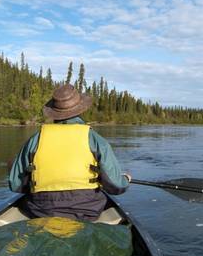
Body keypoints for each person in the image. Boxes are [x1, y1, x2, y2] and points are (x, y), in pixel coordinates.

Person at [9, 84, 131, 221]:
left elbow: (15, 184)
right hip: (87, 210)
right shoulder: (96, 140)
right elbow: (116, 186)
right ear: (80, 110)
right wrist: (125, 180)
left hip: (41, 211)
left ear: (54, 112)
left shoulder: (35, 140)